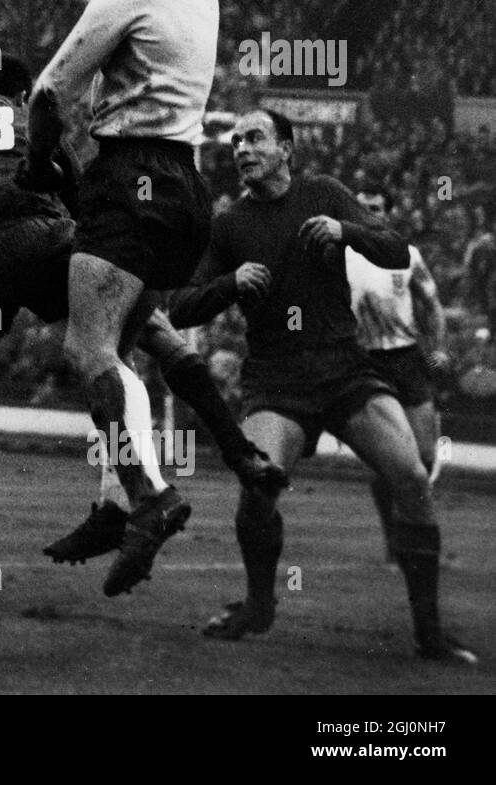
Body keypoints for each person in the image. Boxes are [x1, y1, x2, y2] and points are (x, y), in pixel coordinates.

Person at [0, 52, 285, 597]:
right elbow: (83, 204)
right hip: (52, 238)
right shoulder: (38, 126)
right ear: (23, 96)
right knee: (145, 334)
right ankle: (186, 474)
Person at [164, 109, 475, 663]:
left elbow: (397, 249)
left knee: (411, 477)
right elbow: (181, 306)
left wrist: (345, 231)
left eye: (255, 138)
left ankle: (430, 633)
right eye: (237, 141)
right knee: (258, 488)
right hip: (277, 379)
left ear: (286, 147)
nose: (242, 148)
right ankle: (259, 606)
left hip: (345, 370)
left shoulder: (325, 194)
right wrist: (228, 285)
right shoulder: (229, 224)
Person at [5, 0, 219, 594]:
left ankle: (151, 497)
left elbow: (47, 92)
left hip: (132, 176)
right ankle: (113, 506)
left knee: (86, 345)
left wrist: (37, 164)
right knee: (119, 354)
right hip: (186, 188)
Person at [348, 186, 449, 561]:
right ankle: (396, 542)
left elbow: (433, 305)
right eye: (363, 208)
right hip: (366, 363)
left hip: (406, 360)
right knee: (387, 462)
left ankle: (415, 530)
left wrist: (438, 347)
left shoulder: (407, 256)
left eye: (375, 208)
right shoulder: (341, 256)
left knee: (423, 458)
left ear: (389, 214)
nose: (369, 214)